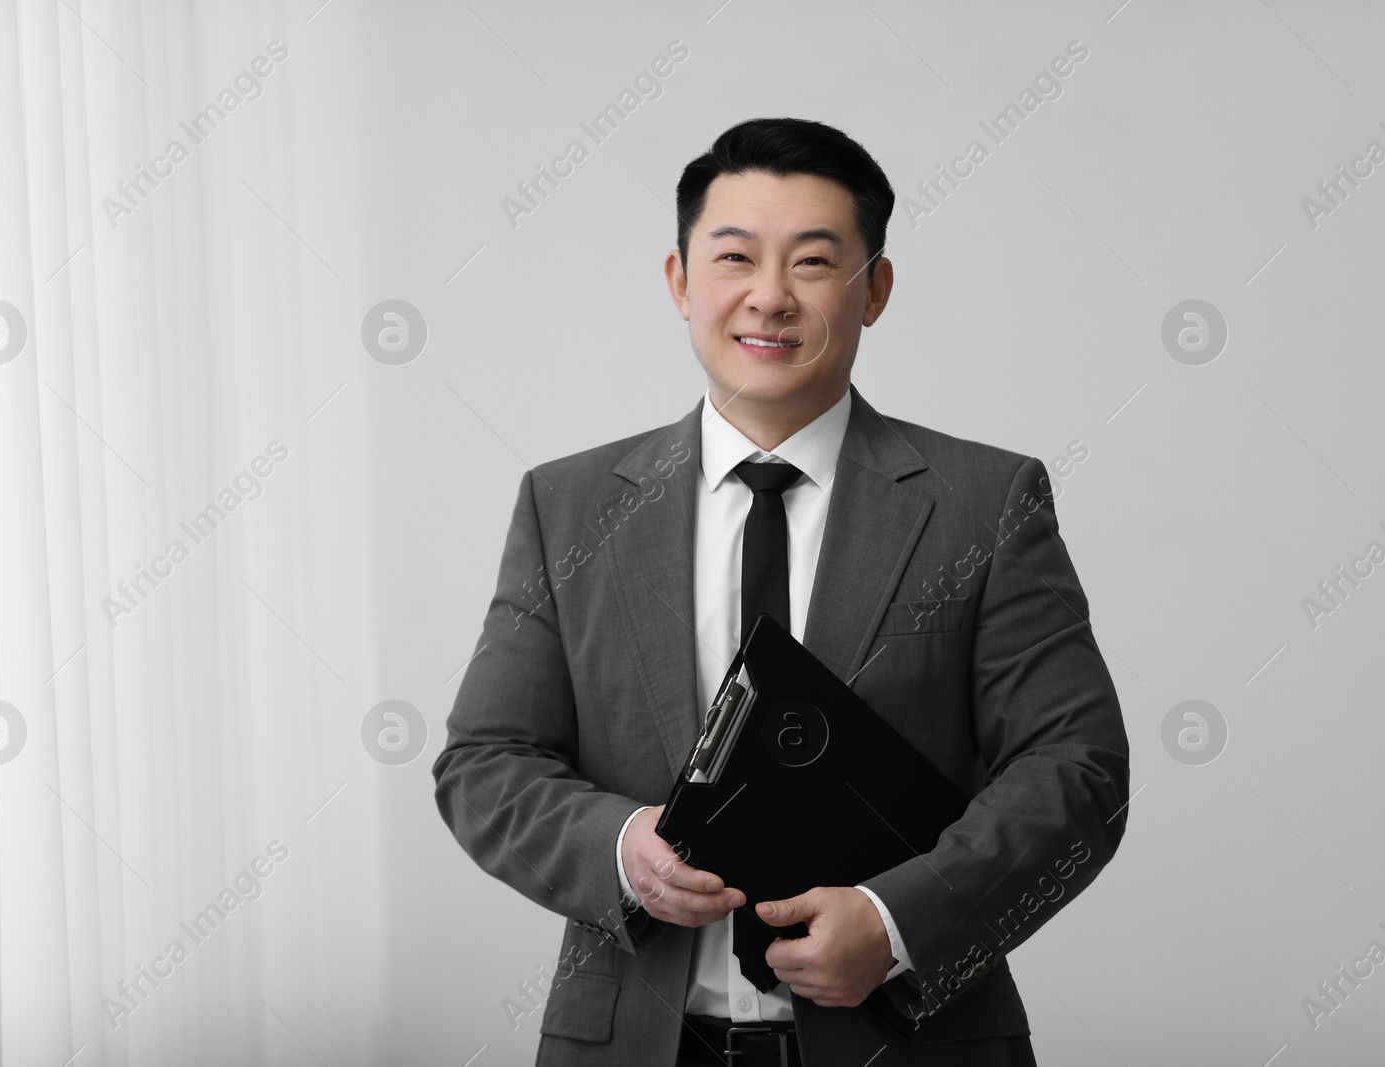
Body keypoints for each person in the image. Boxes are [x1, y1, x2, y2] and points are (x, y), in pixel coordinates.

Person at [433, 117, 1130, 1067]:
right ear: (680, 282)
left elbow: (1077, 768)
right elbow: (484, 762)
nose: (769, 297)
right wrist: (620, 845)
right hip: (633, 1043)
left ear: (875, 290)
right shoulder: (569, 507)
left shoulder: (983, 504)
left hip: (913, 1041)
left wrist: (896, 922)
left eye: (812, 262)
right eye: (734, 257)